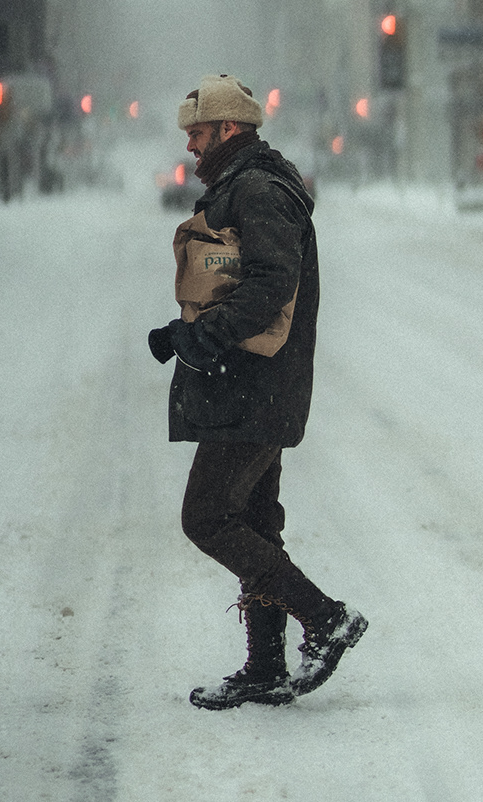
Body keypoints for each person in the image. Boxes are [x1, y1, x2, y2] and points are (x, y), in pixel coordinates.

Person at [147, 74, 366, 709]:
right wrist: (182, 334)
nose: (190, 146)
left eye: (197, 133)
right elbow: (234, 278)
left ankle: (325, 618)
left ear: (229, 130)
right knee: (253, 522)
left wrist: (204, 337)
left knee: (208, 516)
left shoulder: (260, 190)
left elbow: (270, 281)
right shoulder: (242, 186)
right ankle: (267, 665)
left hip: (253, 390)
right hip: (248, 385)